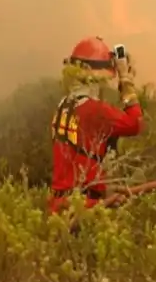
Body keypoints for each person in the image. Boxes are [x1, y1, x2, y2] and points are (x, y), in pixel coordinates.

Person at [48, 36, 144, 214]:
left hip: (59, 204)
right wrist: (125, 80)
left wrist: (104, 189)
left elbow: (76, 161)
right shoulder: (94, 110)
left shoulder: (63, 106)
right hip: (81, 207)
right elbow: (136, 123)